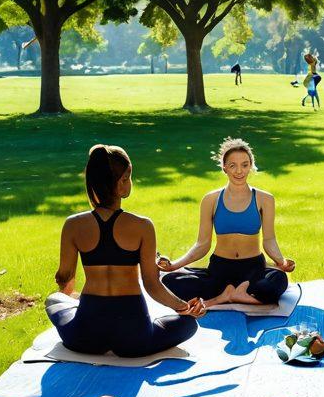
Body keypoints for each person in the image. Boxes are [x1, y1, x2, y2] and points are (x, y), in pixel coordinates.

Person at [45, 145, 205, 357]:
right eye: (128, 177)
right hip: (134, 338)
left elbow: (65, 277)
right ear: (121, 183)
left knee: (53, 300)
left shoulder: (73, 225)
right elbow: (152, 285)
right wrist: (184, 308)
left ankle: (76, 311)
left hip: (85, 337)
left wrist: (69, 297)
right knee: (189, 325)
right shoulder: (142, 226)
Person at [159, 138, 294, 306]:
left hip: (253, 268)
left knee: (278, 280)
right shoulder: (211, 200)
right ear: (224, 167)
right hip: (220, 269)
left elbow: (269, 240)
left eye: (244, 165)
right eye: (233, 165)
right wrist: (174, 265)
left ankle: (230, 295)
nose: (239, 171)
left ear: (251, 165)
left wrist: (281, 262)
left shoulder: (264, 199)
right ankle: (230, 296)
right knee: (171, 281)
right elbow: (202, 244)